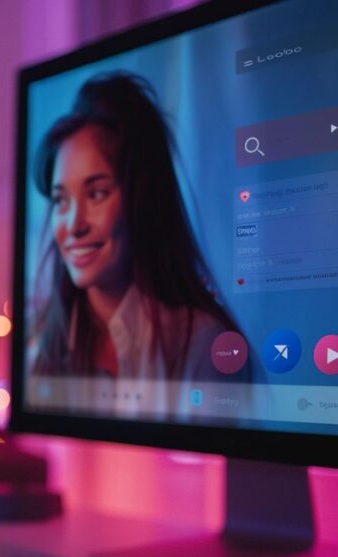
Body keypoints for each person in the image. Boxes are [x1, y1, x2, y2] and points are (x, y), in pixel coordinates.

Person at [29, 72, 253, 403]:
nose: (73, 225)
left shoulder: (203, 345)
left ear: (141, 200)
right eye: (62, 200)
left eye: (97, 193)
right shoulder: (40, 347)